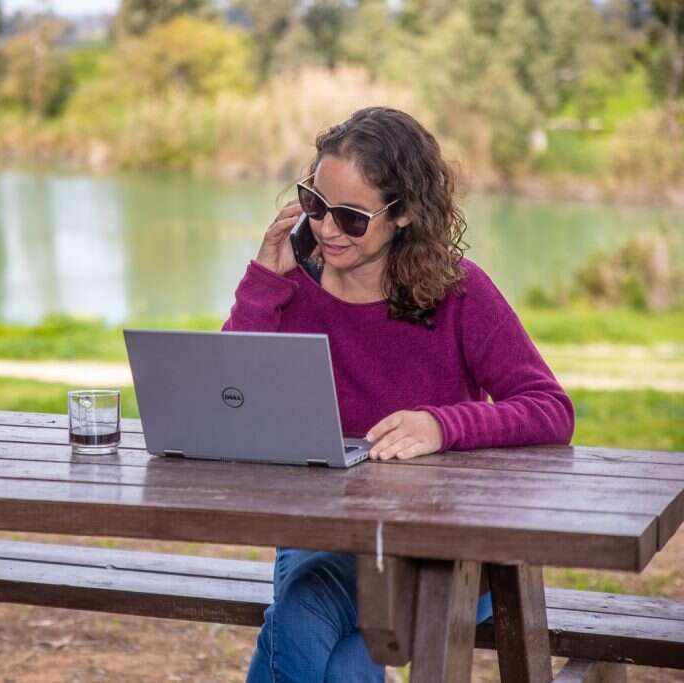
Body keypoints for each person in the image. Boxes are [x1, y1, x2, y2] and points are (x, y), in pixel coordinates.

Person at [223, 107, 574, 683]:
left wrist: (443, 426)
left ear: (405, 212)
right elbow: (228, 395)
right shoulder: (288, 286)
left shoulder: (458, 293)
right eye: (315, 204)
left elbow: (550, 409)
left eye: (351, 218)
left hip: (444, 551)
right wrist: (265, 278)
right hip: (325, 542)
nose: (328, 229)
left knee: (316, 640)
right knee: (319, 644)